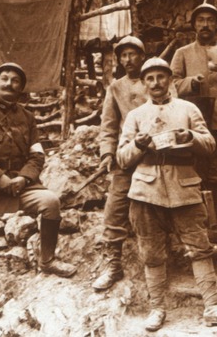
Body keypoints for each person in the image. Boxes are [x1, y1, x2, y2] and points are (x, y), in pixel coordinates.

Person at [116, 57, 217, 331]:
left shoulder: (188, 108)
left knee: (200, 249)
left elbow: (209, 143)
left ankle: (212, 307)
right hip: (146, 192)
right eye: (150, 78)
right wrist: (137, 145)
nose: (156, 83)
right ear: (144, 84)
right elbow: (122, 159)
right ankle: (157, 308)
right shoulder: (135, 116)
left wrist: (190, 138)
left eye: (161, 77)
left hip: (184, 189)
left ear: (170, 80)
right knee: (151, 253)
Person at [0, 62, 76, 321]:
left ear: (21, 88)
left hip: (20, 185)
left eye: (16, 81)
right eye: (5, 79)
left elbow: (37, 155)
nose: (10, 84)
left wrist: (24, 178)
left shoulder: (27, 117)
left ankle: (47, 261)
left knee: (51, 201)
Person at [171, 3, 217, 247]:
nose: (205, 25)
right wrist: (191, 83)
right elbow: (171, 85)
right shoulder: (182, 53)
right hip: (192, 123)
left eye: (210, 20)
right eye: (200, 20)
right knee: (194, 174)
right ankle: (196, 227)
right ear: (194, 25)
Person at [92, 35, 148, 292]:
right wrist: (107, 154)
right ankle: (114, 265)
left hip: (155, 156)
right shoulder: (115, 88)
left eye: (132, 54)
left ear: (142, 56)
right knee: (115, 207)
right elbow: (108, 126)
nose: (128, 60)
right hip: (126, 158)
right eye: (123, 55)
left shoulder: (156, 81)